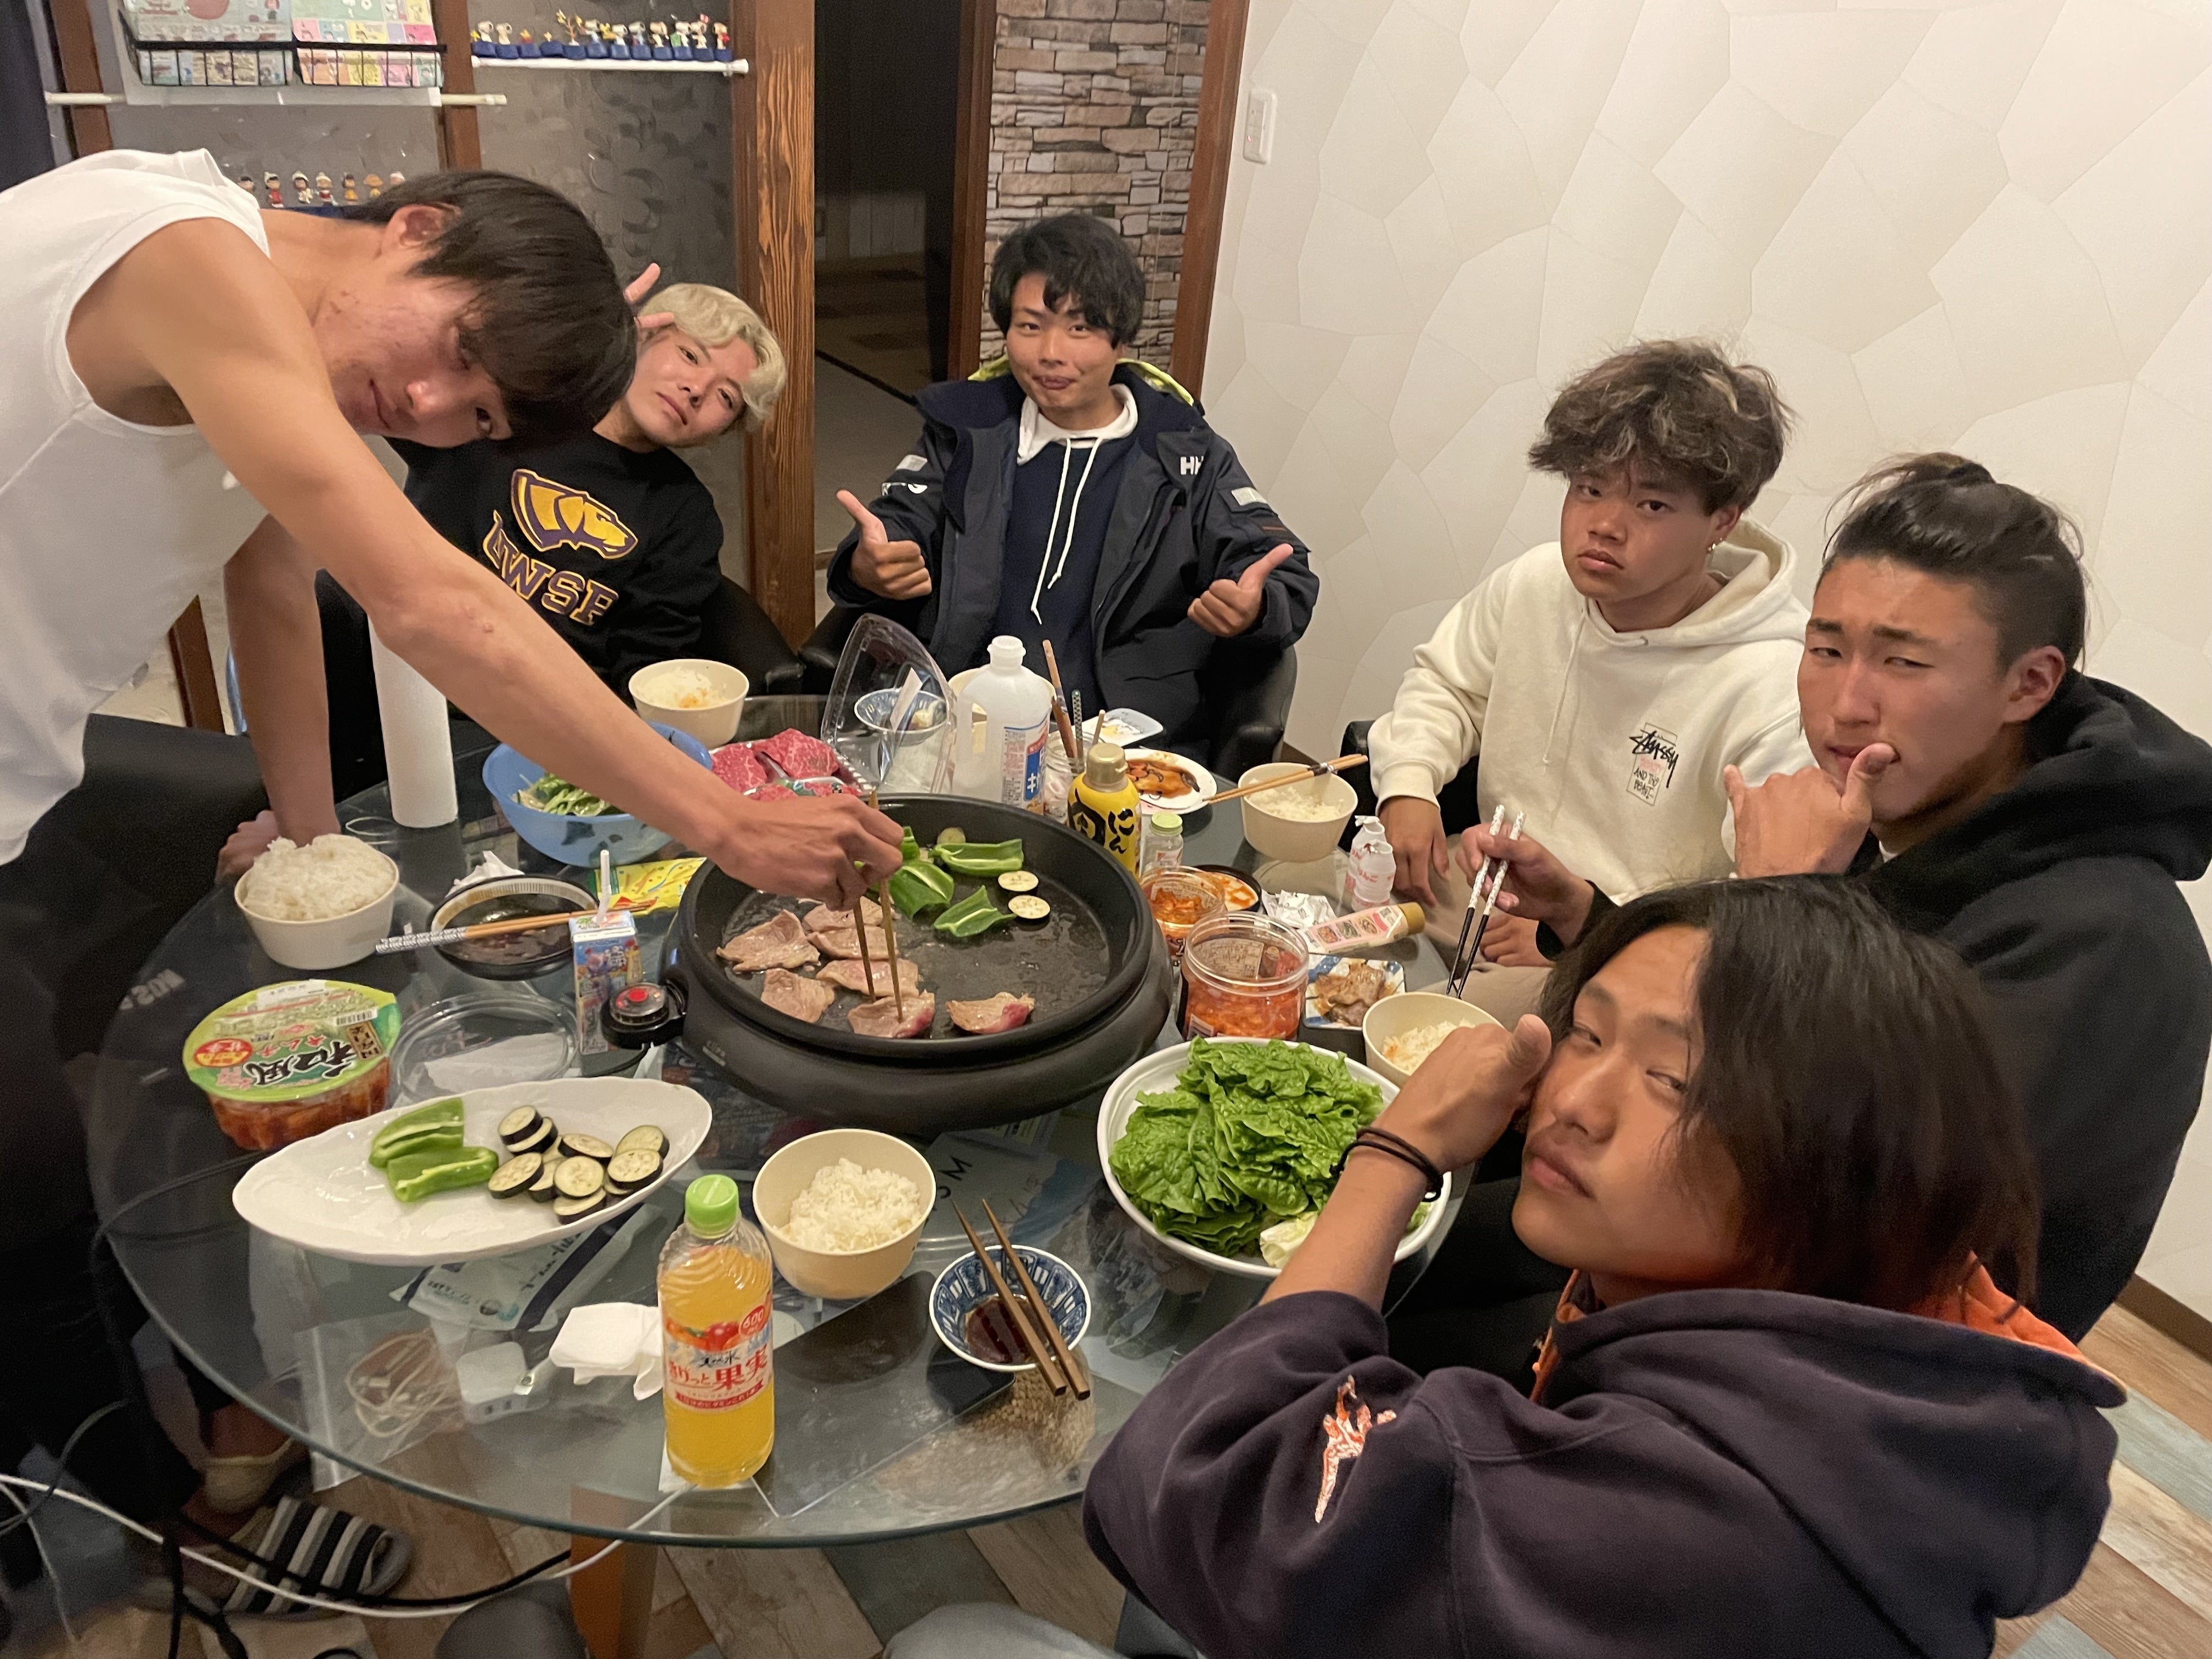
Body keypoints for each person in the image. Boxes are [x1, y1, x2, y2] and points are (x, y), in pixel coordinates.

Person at [0, 148, 898, 1600]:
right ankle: (183, 1536)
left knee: (52, 1162)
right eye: (462, 359)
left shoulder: (273, 347)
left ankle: (159, 1461)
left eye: (476, 417)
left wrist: (313, 844)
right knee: (34, 1188)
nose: (426, 411)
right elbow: (429, 603)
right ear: (415, 228)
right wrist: (725, 824)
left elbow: (270, 591)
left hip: (17, 778)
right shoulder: (183, 254)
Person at [1030, 880, 2105, 1659]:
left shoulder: (1661, 1520)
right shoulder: (1933, 1364)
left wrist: (1392, 1151)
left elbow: (1192, 1483)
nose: (1577, 1102)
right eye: (1586, 1036)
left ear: (1841, 1161)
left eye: (1674, 1080)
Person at [1480, 455, 2212, 1339]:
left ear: (2030, 684)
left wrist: (1783, 903)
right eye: (1826, 650)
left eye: (1903, 661)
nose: (1847, 705)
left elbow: (1844, 1197)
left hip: (1854, 1354)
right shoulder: (1900, 810)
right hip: (1703, 1240)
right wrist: (1582, 916)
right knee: (1438, 1195)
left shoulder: (2106, 941)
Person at [1366, 340, 1808, 984]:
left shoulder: (1773, 685)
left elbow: (1757, 908)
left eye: (1652, 505)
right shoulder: (1537, 583)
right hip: (1480, 887)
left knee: (1422, 1030)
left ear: (1723, 520)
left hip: (1626, 957)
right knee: (1291, 929)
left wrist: (1579, 928)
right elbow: (1448, 685)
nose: (1604, 525)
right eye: (1589, 489)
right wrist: (1409, 785)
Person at [826, 212, 1317, 759]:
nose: (1050, 353)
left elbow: (1280, 568)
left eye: (1080, 328)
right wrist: (868, 563)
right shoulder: (968, 431)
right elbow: (899, 518)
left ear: (1121, 338)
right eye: (1030, 326)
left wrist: (1254, 607)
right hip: (968, 715)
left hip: (1119, 737)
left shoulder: (1184, 452)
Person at [302, 281, 787, 802]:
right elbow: (370, 366)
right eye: (690, 355)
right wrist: (541, 334)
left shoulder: (684, 516)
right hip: (398, 683)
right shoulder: (515, 404)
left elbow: (644, 672)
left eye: (726, 397)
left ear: (724, 431)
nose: (696, 389)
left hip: (527, 728)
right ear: (640, 338)